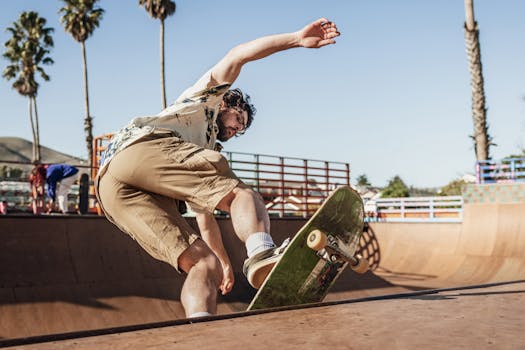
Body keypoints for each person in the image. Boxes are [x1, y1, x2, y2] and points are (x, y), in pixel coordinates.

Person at [95, 18, 340, 318]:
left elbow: (205, 219)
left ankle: (202, 331)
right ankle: (262, 252)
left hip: (111, 189)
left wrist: (223, 262)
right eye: (238, 118)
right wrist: (296, 39)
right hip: (141, 149)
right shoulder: (207, 97)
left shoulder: (198, 154)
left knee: (203, 265)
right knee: (243, 195)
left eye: (243, 128)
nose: (238, 128)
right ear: (226, 104)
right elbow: (239, 54)